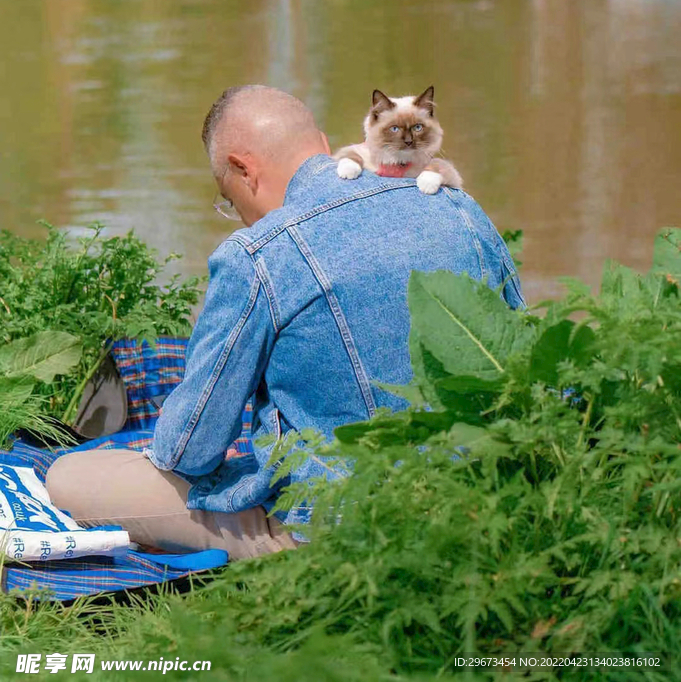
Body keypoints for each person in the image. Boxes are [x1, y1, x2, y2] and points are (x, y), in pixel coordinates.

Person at [46, 85, 524, 560]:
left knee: (69, 477)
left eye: (227, 200)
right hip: (488, 495)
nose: (237, 218)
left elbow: (189, 449)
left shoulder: (259, 253)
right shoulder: (458, 206)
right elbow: (520, 353)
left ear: (242, 169)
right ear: (318, 143)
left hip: (347, 522)